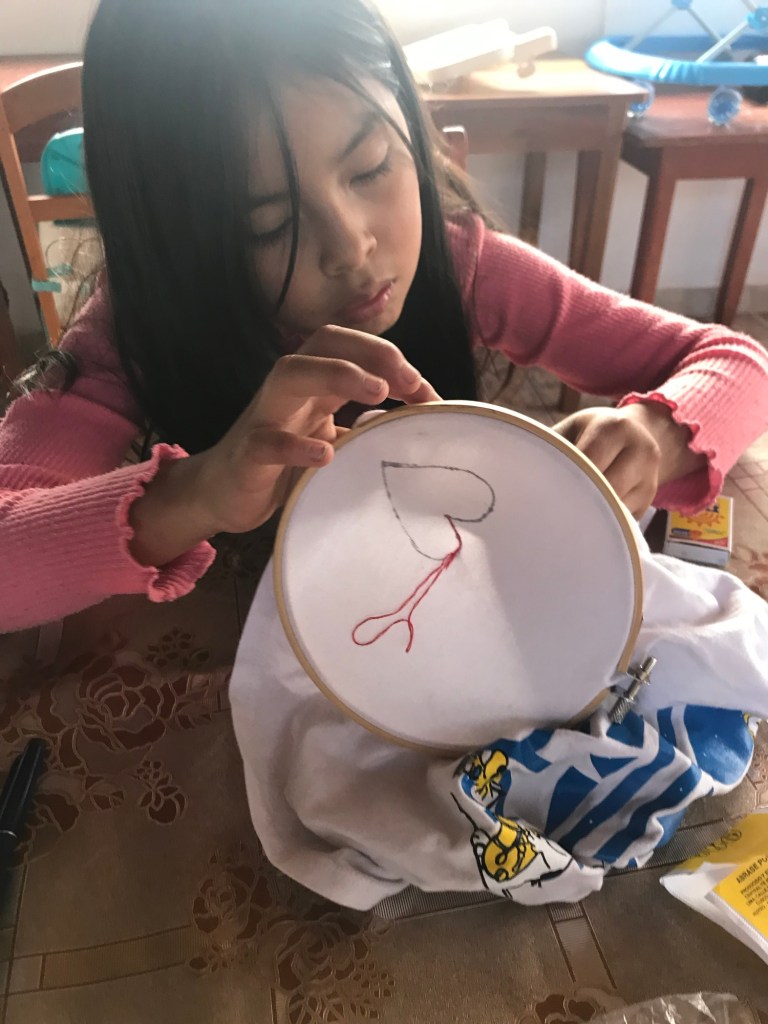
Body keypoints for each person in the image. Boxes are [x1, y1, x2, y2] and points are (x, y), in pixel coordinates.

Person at [1, 0, 767, 634]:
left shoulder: (463, 267)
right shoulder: (132, 332)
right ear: (175, 247)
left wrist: (653, 433)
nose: (352, 247)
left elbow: (737, 360)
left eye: (370, 167)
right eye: (269, 225)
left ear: (410, 123)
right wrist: (198, 493)